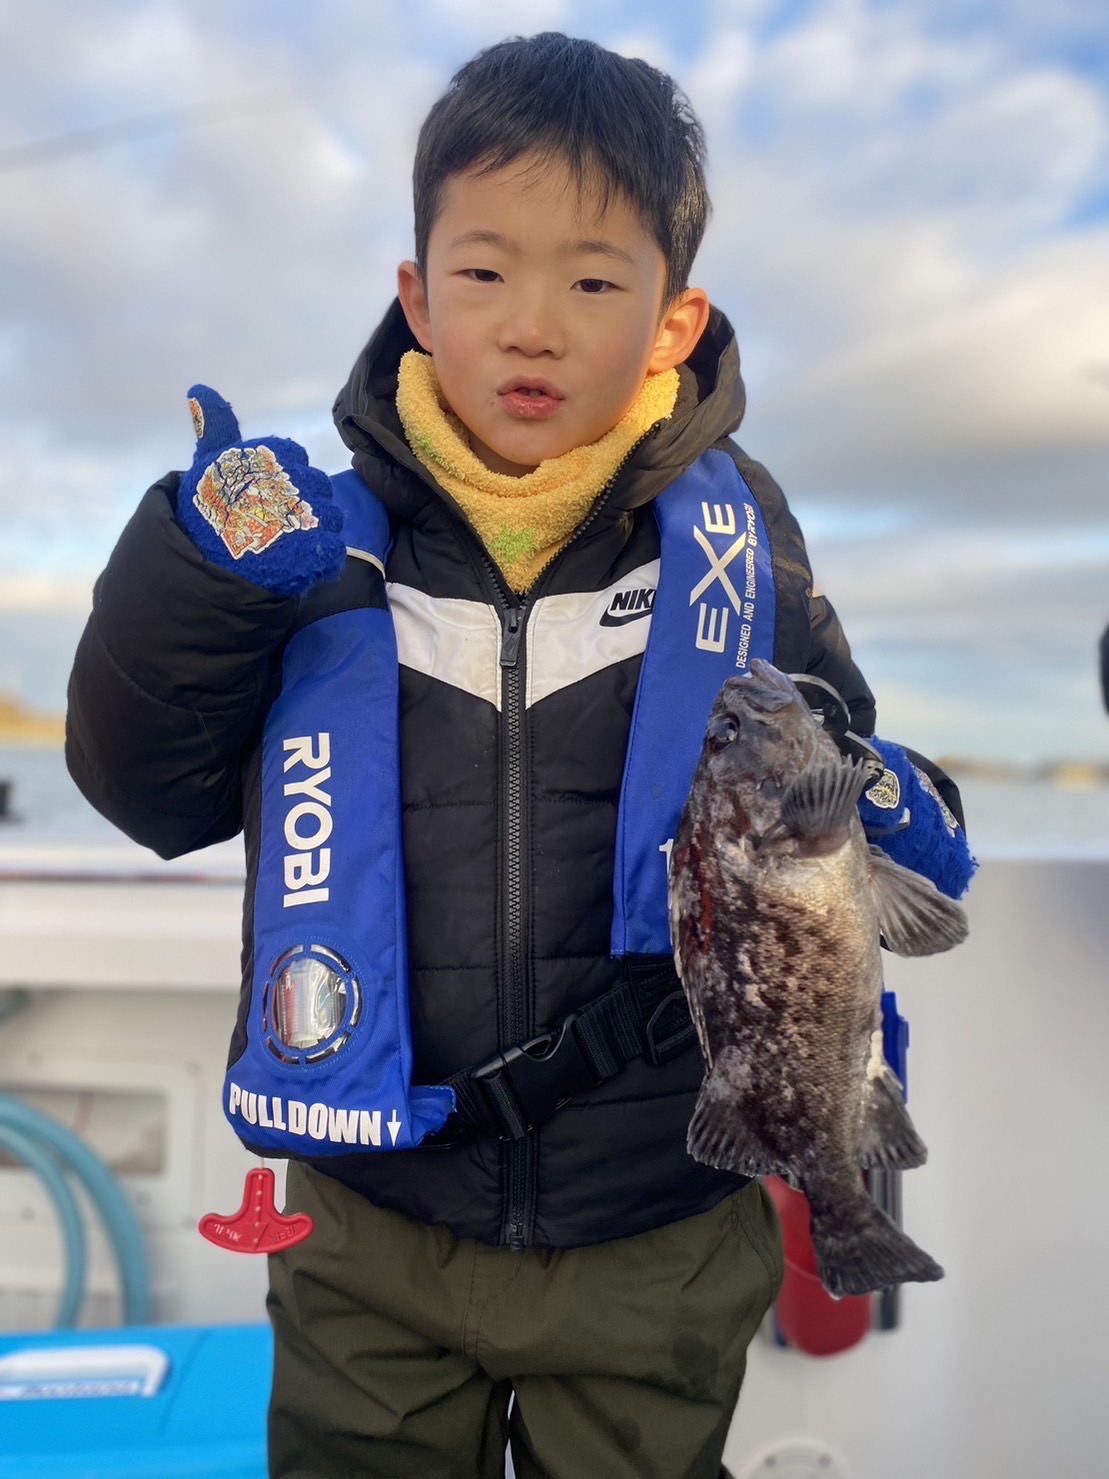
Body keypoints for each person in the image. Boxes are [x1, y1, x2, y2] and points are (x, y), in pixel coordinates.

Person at [66, 33, 972, 1479]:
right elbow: (147, 794)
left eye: (594, 283)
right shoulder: (311, 549)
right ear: (417, 298)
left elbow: (845, 775)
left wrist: (885, 798)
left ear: (672, 323)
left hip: (658, 1223)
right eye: (484, 273)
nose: (533, 327)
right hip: (368, 1217)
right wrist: (194, 575)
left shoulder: (739, 559)